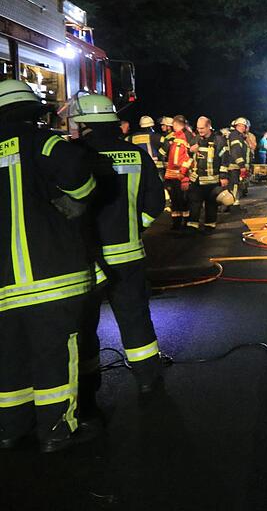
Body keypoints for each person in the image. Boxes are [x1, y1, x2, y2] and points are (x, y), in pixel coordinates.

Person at [0, 79, 100, 453]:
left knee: (9, 355)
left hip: (3, 282)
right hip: (50, 275)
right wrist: (72, 201)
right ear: (31, 113)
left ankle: (11, 428)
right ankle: (57, 429)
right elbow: (81, 182)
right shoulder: (44, 142)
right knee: (53, 351)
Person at [69, 95, 165, 403]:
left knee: (85, 324)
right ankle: (148, 379)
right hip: (129, 255)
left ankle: (88, 389)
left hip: (86, 259)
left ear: (83, 124)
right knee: (135, 317)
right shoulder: (136, 155)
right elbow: (156, 202)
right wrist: (136, 227)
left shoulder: (72, 155)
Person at [187, 117, 229, 234]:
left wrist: (223, 176)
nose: (199, 131)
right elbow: (188, 156)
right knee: (194, 203)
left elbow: (225, 159)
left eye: (202, 128)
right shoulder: (195, 139)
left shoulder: (219, 140)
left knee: (211, 204)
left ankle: (209, 226)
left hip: (212, 180)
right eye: (198, 128)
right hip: (196, 179)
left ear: (209, 126)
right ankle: (192, 226)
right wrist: (190, 151)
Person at [163, 115, 194, 230]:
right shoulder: (177, 136)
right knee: (175, 201)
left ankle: (186, 223)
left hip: (181, 175)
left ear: (175, 124)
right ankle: (176, 223)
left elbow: (189, 158)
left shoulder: (186, 136)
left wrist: (184, 176)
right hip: (173, 176)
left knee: (184, 201)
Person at [223, 118, 250, 211]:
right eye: (244, 126)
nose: (245, 128)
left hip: (234, 165)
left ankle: (229, 205)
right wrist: (242, 165)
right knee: (234, 186)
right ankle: (234, 206)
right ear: (240, 126)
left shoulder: (236, 135)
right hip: (234, 166)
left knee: (232, 186)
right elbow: (236, 152)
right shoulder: (235, 136)